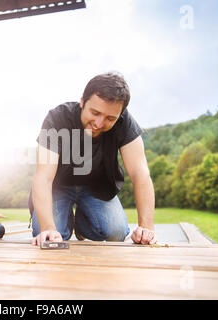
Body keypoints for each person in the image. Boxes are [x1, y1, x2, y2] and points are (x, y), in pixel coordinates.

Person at [29, 72, 157, 246]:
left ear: (120, 115)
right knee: (49, 234)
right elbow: (43, 177)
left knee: (116, 232)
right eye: (95, 112)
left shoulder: (125, 123)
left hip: (98, 188)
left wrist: (146, 228)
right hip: (56, 186)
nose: (98, 123)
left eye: (110, 118)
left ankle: (82, 226)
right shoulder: (56, 119)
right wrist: (48, 227)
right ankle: (63, 223)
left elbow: (140, 174)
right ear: (82, 101)